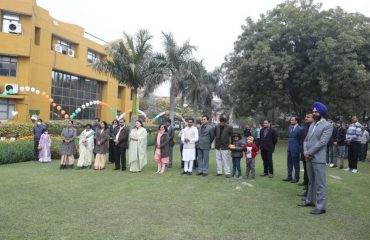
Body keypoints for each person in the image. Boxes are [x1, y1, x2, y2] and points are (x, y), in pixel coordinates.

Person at [299, 101, 333, 215]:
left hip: (318, 158)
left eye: (316, 112)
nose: (313, 113)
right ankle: (310, 201)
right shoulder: (312, 124)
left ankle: (321, 207)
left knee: (320, 183)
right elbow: (306, 140)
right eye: (313, 111)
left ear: (321, 113)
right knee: (311, 181)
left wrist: (309, 151)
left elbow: (322, 142)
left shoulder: (327, 125)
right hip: (308, 156)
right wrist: (305, 151)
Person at [298, 111, 314, 198]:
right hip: (304, 153)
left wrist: (309, 152)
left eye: (308, 117)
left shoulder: (314, 127)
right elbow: (303, 140)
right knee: (307, 173)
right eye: (306, 117)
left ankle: (309, 193)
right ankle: (307, 190)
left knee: (311, 175)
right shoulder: (305, 127)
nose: (306, 118)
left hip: (311, 154)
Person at [283, 116, 303, 183]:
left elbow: (301, 141)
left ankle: (296, 178)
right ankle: (289, 177)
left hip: (296, 149)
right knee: (289, 163)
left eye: (292, 120)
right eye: (291, 120)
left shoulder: (300, 129)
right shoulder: (289, 128)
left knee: (296, 164)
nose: (291, 121)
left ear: (296, 121)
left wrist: (299, 150)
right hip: (289, 148)